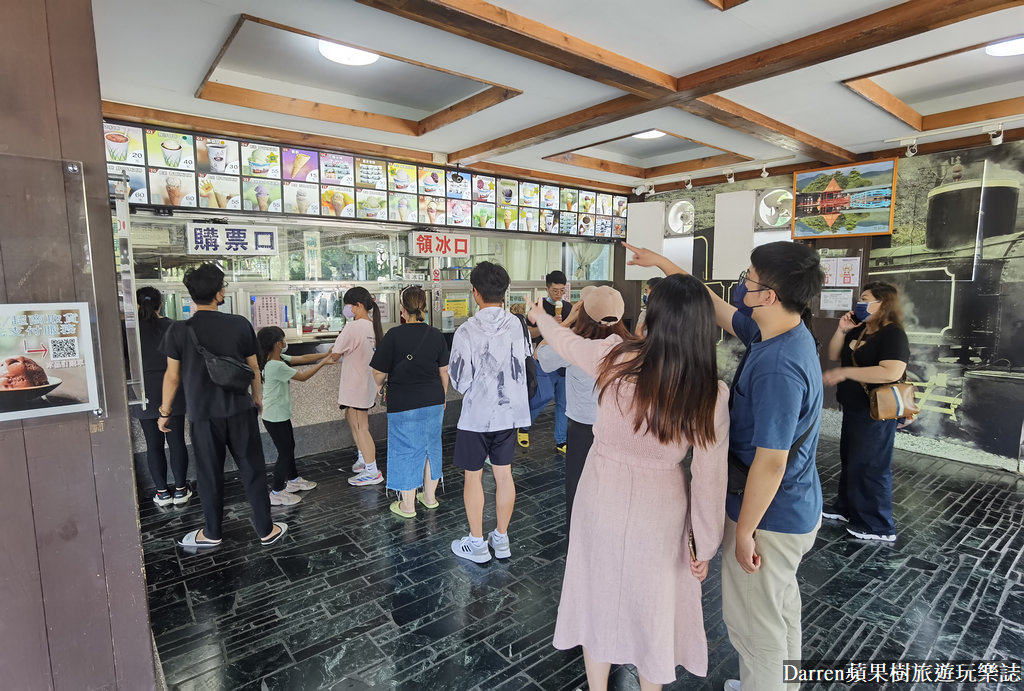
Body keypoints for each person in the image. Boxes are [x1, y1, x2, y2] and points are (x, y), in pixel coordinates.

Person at [625, 241, 824, 691]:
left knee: (756, 630)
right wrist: (661, 263)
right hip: (794, 504)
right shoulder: (777, 331)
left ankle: (766, 683)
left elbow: (771, 463)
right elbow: (709, 303)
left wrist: (744, 530)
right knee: (778, 612)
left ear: (768, 295)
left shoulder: (778, 364)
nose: (740, 285)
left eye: (748, 279)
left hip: (769, 516)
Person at [533, 273, 730, 690]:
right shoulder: (710, 392)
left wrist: (542, 318)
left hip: (600, 493)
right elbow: (709, 477)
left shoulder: (616, 359)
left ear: (652, 319)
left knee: (597, 592)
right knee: (652, 605)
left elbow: (566, 345)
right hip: (661, 510)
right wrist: (703, 542)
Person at [158, 263, 286, 548]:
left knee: (209, 472)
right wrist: (257, 398)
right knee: (252, 468)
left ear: (191, 295)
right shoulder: (239, 323)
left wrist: (165, 412)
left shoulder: (179, 330)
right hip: (240, 411)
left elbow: (172, 376)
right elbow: (254, 367)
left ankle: (212, 533)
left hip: (203, 415)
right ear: (219, 293)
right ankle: (266, 530)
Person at [448, 261, 531, 563]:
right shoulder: (517, 325)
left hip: (476, 418)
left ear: (475, 293)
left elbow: (460, 381)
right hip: (509, 415)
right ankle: (502, 538)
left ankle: (476, 543)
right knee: (504, 475)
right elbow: (522, 363)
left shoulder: (466, 330)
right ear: (504, 292)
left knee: (473, 477)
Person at [535, 285, 631, 536]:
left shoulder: (577, 346)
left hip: (584, 430)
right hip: (621, 430)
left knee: (579, 492)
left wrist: (566, 321)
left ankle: (581, 547)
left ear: (584, 313)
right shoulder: (631, 347)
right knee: (614, 492)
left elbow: (540, 354)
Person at [822, 282, 910, 542]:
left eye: (865, 299)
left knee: (872, 466)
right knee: (852, 460)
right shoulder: (861, 329)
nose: (860, 304)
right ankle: (847, 508)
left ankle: (878, 525)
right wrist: (842, 330)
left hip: (877, 411)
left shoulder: (893, 334)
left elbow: (891, 371)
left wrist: (846, 372)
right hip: (854, 407)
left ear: (883, 304)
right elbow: (835, 353)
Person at [370, 286, 450, 518]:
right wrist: (443, 397)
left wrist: (379, 387)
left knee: (405, 450)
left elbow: (377, 371)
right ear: (423, 307)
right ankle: (430, 497)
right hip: (434, 400)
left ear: (403, 309)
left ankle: (408, 505)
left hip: (403, 402)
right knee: (431, 447)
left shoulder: (394, 335)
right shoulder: (435, 334)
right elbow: (444, 371)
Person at [256, 326, 334, 506]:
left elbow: (303, 358)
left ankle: (292, 480)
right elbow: (303, 376)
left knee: (289, 447)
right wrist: (323, 363)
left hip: (279, 414)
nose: (285, 343)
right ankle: (276, 492)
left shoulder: (277, 358)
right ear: (277, 343)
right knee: (284, 452)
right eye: (283, 340)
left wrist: (324, 354)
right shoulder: (275, 365)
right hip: (274, 416)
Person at [134, 286, 191, 507]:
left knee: (153, 444)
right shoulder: (174, 326)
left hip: (142, 390)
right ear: (161, 303)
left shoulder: (130, 329)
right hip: (173, 389)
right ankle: (180, 490)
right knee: (176, 442)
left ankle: (162, 493)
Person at [331, 286, 384, 486]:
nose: (347, 309)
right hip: (366, 384)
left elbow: (336, 355)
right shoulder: (374, 327)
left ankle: (372, 471)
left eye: (349, 305)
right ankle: (363, 460)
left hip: (355, 386)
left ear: (358, 306)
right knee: (353, 420)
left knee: (362, 427)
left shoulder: (353, 327)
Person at [519, 269, 572, 452]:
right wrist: (547, 325)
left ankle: (561, 441)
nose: (559, 294)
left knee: (563, 403)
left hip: (564, 361)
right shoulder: (538, 307)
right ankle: (524, 426)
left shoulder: (568, 308)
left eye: (562, 290)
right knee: (544, 396)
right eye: (555, 290)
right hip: (543, 360)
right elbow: (528, 332)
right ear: (547, 289)